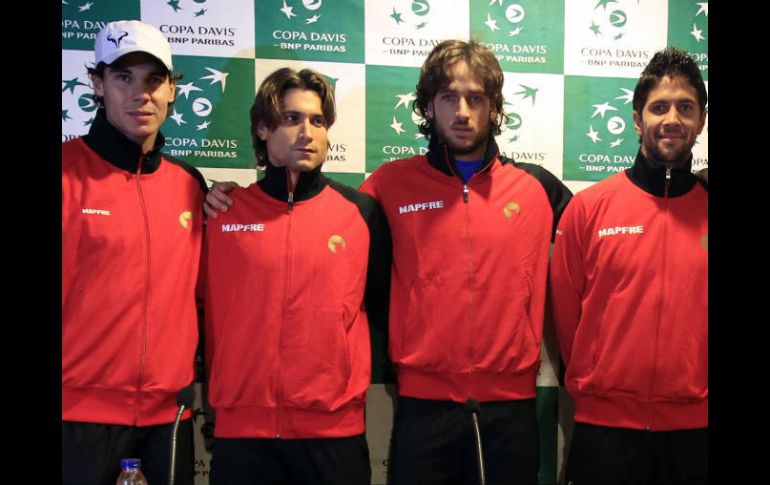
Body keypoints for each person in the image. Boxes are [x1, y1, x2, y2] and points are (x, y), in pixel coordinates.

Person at [359, 40, 571, 484]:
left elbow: (618, 224)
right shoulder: (389, 185)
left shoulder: (538, 189)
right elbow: (316, 224)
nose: (462, 111)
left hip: (510, 409)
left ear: (494, 107)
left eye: (476, 98)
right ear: (428, 105)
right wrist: (230, 201)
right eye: (449, 97)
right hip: (423, 406)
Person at [202, 67, 391, 485]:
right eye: (292, 119)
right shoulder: (222, 212)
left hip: (332, 435)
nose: (307, 131)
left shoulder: (361, 213)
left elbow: (382, 308)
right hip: (242, 435)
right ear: (262, 128)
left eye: (318, 120)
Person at [549, 46, 708, 484]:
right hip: (605, 431)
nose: (672, 118)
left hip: (694, 434)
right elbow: (568, 318)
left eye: (685, 107)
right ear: (638, 119)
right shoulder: (588, 209)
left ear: (701, 120)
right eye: (659, 107)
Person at [62, 20, 206, 485]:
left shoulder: (190, 184)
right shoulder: (65, 170)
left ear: (171, 92)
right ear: (97, 85)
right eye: (123, 77)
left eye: (153, 79)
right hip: (76, 418)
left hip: (169, 420)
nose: (139, 93)